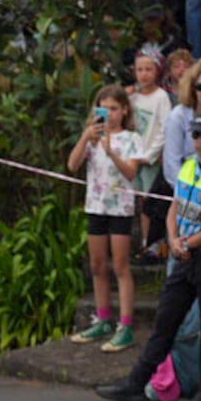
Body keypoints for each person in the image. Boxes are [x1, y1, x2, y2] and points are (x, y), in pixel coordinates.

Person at [97, 114, 201, 401]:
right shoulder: (190, 166)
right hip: (185, 255)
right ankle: (136, 383)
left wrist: (187, 243)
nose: (200, 142)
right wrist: (174, 238)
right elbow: (174, 208)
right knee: (165, 323)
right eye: (196, 136)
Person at [68, 85, 146, 353]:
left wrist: (111, 151)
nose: (110, 115)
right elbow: (72, 165)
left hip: (120, 209)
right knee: (97, 265)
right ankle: (103, 318)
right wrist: (85, 138)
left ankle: (125, 325)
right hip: (96, 206)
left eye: (115, 109)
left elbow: (131, 172)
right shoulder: (93, 136)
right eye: (105, 109)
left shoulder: (132, 139)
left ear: (124, 111)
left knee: (121, 266)